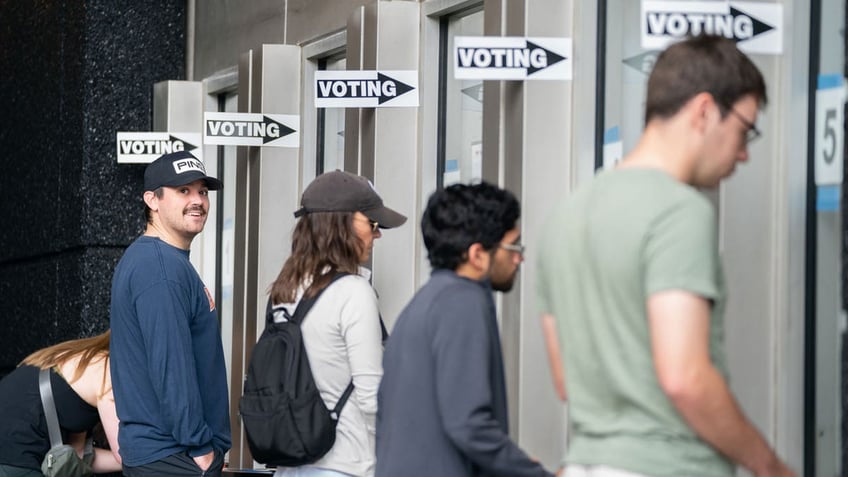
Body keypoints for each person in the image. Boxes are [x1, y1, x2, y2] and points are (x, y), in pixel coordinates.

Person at [536, 35, 795, 477]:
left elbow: (565, 380)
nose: (744, 153)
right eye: (744, 130)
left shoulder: (565, 215)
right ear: (704, 111)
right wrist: (770, 466)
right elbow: (685, 378)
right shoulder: (680, 212)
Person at [376, 182, 554, 477]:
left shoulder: (423, 303)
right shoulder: (463, 303)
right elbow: (469, 424)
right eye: (513, 246)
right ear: (477, 255)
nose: (519, 258)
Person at [269, 170, 406, 477]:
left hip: (292, 465)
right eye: (372, 224)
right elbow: (372, 397)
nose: (377, 234)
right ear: (341, 225)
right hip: (344, 465)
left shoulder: (285, 290)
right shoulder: (353, 292)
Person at [110, 150, 231, 476]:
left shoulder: (158, 260)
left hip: (166, 455)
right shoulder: (159, 267)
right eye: (183, 191)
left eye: (202, 191)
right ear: (152, 200)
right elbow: (171, 365)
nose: (197, 201)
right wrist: (202, 449)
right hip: (173, 457)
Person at [0, 331, 122, 476]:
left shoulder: (82, 357)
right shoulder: (108, 370)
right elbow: (129, 454)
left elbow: (79, 453)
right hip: (13, 456)